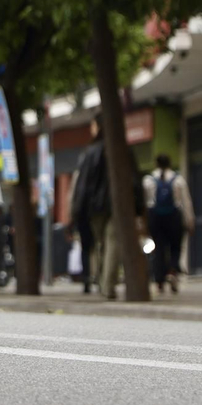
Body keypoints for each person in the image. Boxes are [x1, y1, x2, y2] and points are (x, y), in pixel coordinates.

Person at [69, 119, 111, 298]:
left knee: (93, 245)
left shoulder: (91, 153)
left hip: (94, 207)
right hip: (105, 206)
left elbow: (82, 187)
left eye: (93, 125)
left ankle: (94, 279)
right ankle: (102, 280)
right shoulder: (113, 148)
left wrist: (76, 211)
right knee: (105, 244)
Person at [144, 153, 195, 293]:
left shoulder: (149, 180)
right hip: (174, 218)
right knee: (175, 247)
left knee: (158, 248)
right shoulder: (178, 180)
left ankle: (159, 279)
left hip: (156, 218)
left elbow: (145, 202)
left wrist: (143, 222)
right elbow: (186, 202)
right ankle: (173, 271)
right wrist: (190, 221)